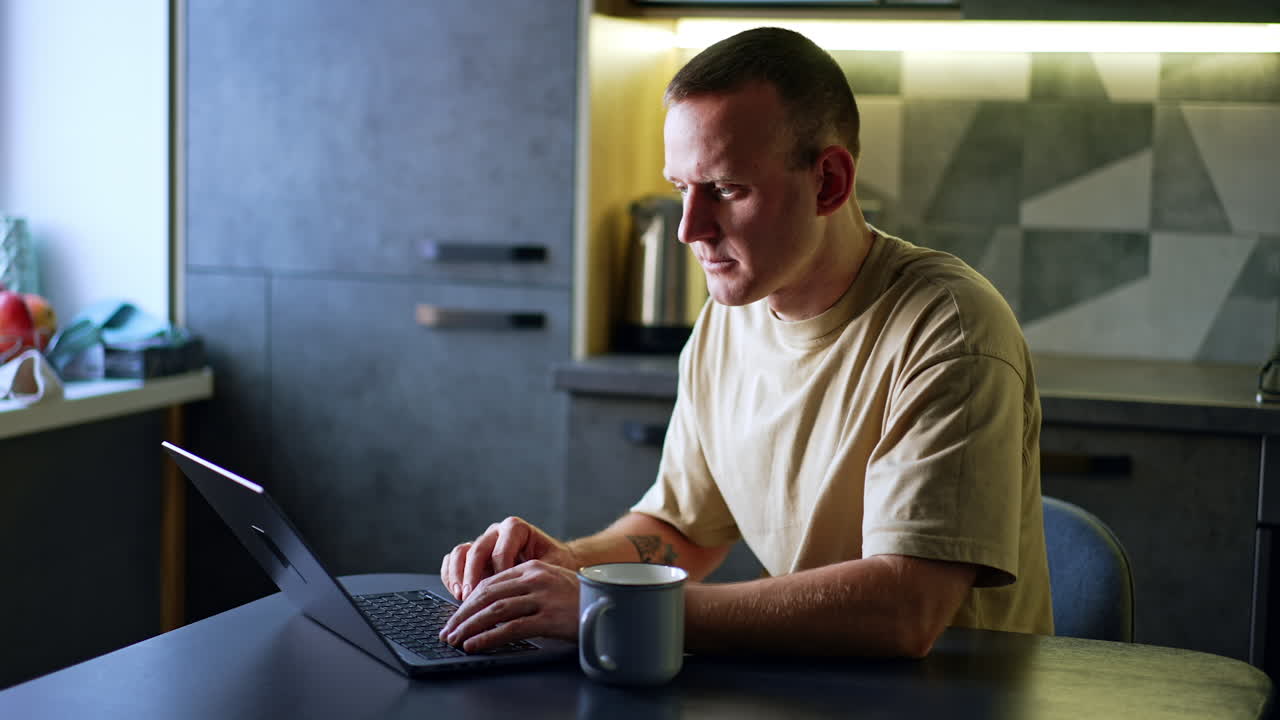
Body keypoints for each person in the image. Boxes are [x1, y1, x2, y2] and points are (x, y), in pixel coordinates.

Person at [439, 26, 1053, 658]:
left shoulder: (948, 328)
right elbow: (683, 531)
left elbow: (905, 609)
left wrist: (612, 605)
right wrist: (572, 563)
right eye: (681, 188)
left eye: (727, 189)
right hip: (808, 687)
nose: (689, 229)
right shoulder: (728, 319)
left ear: (829, 183)